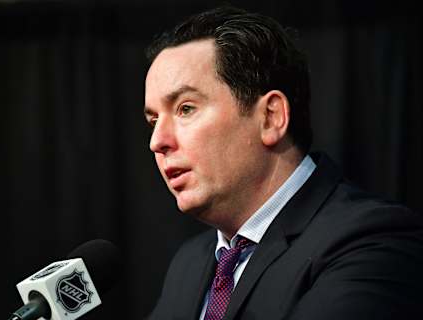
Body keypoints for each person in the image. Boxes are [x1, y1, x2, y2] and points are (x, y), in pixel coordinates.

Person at [143, 5, 423, 320]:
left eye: (186, 109)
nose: (157, 141)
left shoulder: (372, 242)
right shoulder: (191, 262)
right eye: (153, 120)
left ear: (271, 117)